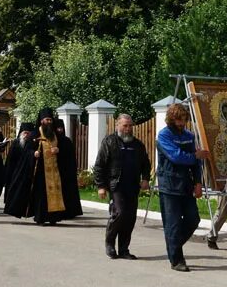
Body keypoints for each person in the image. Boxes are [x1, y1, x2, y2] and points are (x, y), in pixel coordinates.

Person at [156, 103, 208, 272]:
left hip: (186, 184)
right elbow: (175, 157)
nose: (181, 123)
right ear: (171, 119)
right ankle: (177, 260)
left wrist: (198, 183)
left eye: (183, 119)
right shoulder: (163, 136)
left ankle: (173, 245)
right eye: (178, 119)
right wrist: (195, 156)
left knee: (194, 219)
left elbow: (196, 163)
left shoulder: (189, 136)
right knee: (173, 224)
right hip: (169, 186)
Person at [94, 114, 150, 260]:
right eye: (125, 125)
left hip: (132, 186)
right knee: (119, 213)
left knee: (130, 218)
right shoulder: (109, 142)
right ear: (117, 125)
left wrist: (145, 179)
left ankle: (124, 249)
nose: (128, 128)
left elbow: (146, 164)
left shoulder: (137, 144)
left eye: (130, 125)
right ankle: (110, 243)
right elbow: (99, 165)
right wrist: (101, 186)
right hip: (116, 185)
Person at [24, 108, 82, 225]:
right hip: (40, 172)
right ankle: (40, 217)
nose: (49, 122)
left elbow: (67, 151)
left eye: (50, 120)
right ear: (41, 121)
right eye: (47, 120)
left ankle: (53, 218)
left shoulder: (57, 136)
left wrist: (59, 150)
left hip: (55, 172)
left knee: (56, 194)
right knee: (41, 195)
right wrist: (33, 153)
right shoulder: (34, 135)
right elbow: (26, 150)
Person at [2, 122, 36, 216]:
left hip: (28, 172)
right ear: (21, 133)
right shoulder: (16, 143)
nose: (26, 135)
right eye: (25, 133)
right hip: (15, 172)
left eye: (28, 133)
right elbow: (10, 160)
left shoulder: (33, 144)